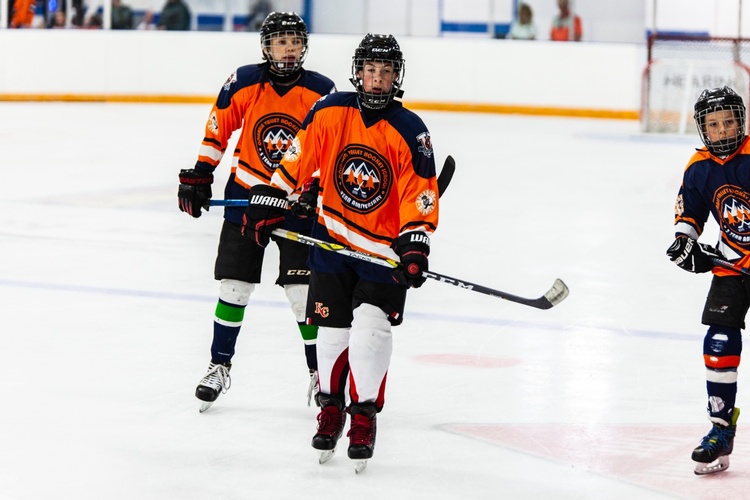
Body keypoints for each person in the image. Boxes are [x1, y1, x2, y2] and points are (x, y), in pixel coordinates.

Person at [243, 33, 439, 469]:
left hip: (381, 254)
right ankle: (330, 411)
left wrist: (416, 240)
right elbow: (297, 159)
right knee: (331, 336)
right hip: (331, 242)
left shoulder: (411, 131)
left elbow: (420, 195)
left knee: (370, 332)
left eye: (386, 71)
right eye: (370, 70)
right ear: (358, 71)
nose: (377, 79)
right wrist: (271, 196)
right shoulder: (330, 112)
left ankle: (364, 416)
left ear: (396, 76)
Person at [178, 12, 336, 412]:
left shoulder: (322, 90)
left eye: (295, 41)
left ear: (305, 46)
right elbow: (219, 128)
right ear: (266, 46)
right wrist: (201, 172)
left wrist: (315, 186)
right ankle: (218, 365)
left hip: (295, 202)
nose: (288, 48)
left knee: (304, 294)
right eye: (280, 41)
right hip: (248, 195)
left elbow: (329, 144)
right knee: (234, 286)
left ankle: (320, 375)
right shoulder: (245, 81)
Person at [666, 85, 750, 475]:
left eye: (728, 121)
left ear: (740, 121)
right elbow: (692, 213)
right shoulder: (698, 166)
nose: (722, 130)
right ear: (703, 129)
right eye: (713, 124)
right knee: (718, 339)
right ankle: (720, 429)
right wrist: (685, 243)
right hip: (732, 265)